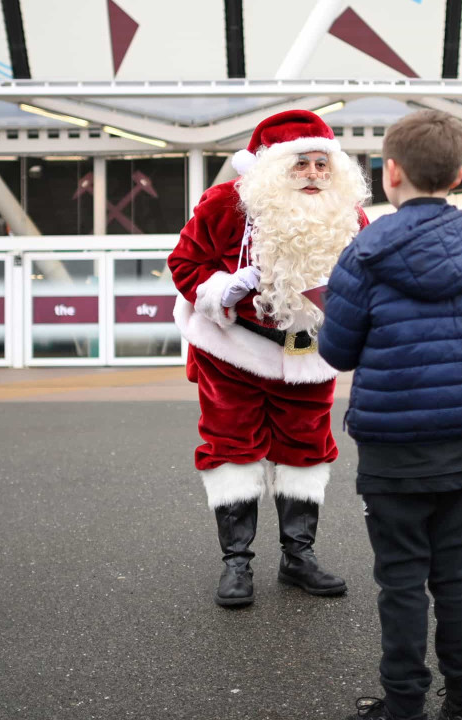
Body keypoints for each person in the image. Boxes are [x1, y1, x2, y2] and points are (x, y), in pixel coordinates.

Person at [319, 109, 462, 720]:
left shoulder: (364, 254)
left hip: (391, 448)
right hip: (461, 443)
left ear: (390, 171)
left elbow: (338, 352)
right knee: (458, 576)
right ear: (457, 173)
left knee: (401, 581)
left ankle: (403, 704)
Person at [168, 110, 370, 607]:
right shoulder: (225, 204)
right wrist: (221, 290)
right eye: (301, 164)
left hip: (310, 351)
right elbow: (184, 263)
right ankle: (237, 562)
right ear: (275, 168)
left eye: (323, 165)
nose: (314, 175)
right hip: (232, 351)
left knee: (307, 447)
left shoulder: (349, 213)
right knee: (232, 447)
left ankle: (298, 556)